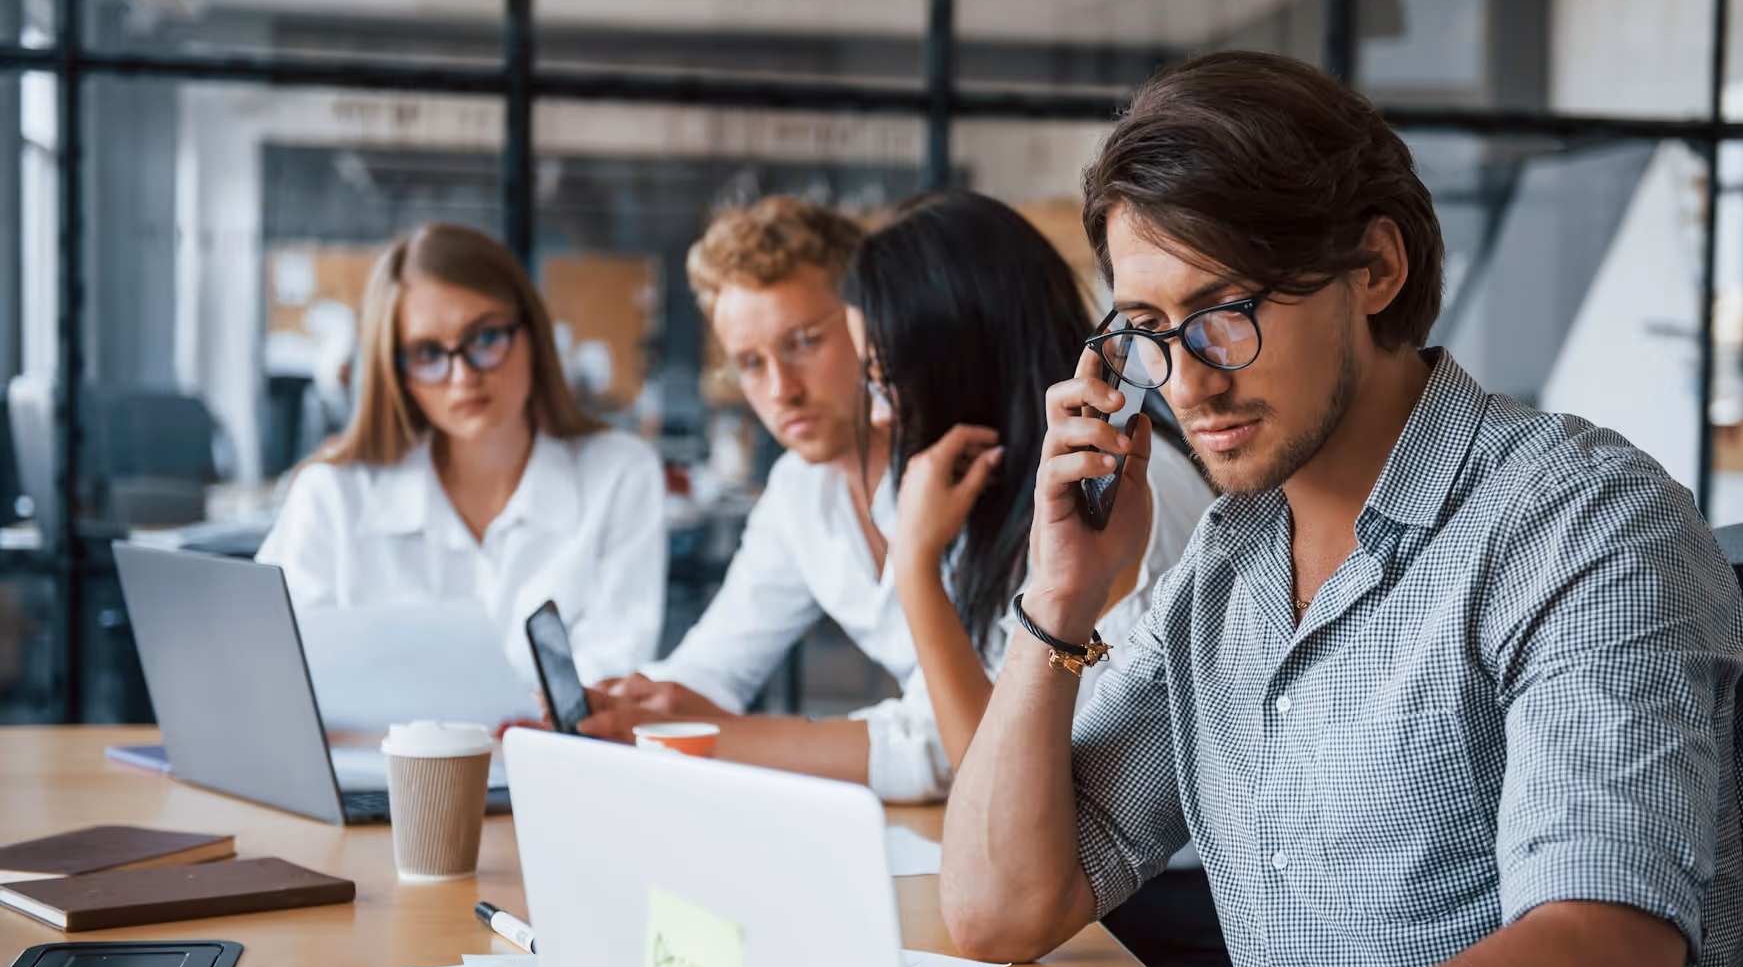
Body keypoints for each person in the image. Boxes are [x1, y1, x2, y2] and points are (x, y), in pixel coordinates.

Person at [927, 53, 1743, 967]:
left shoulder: (1583, 524)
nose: (1187, 381)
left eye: (1224, 311)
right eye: (1146, 329)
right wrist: (1058, 598)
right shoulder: (1229, 563)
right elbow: (999, 906)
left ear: (1374, 267)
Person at [584, 192, 1214, 805]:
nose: (782, 390)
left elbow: (984, 765)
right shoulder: (931, 478)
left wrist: (913, 564)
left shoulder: (1105, 484)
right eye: (750, 363)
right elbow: (965, 740)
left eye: (807, 342)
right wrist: (632, 712)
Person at [257, 222, 669, 688]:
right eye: (428, 353)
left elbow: (608, 679)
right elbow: (275, 674)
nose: (462, 377)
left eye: (486, 339)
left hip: (547, 743)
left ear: (533, 336)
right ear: (396, 372)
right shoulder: (331, 494)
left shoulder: (619, 474)